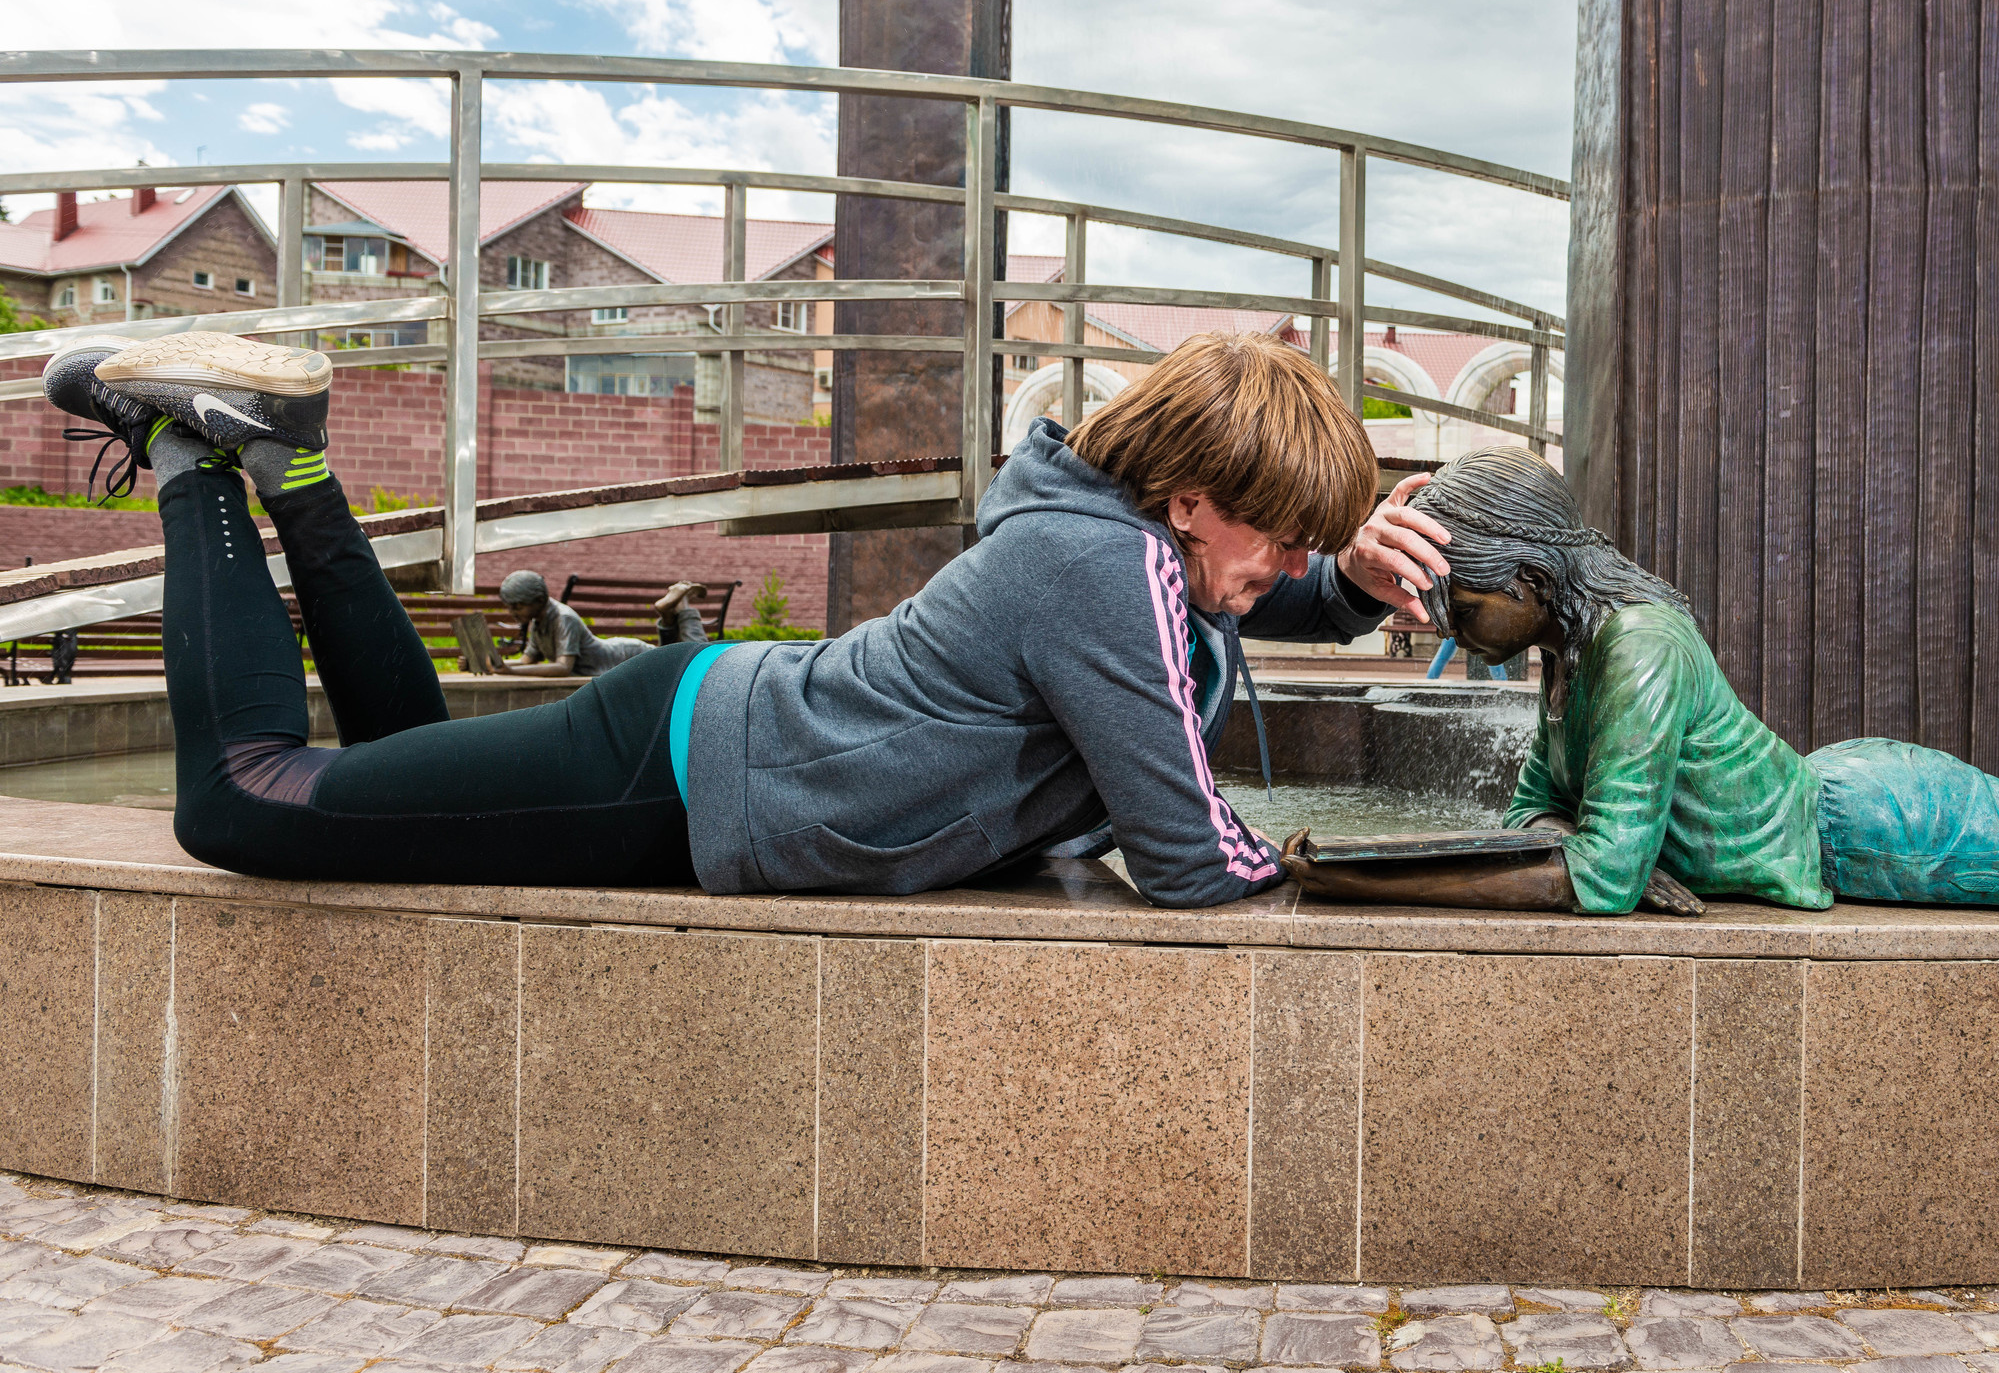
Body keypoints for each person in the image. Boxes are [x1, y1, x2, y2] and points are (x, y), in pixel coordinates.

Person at [41, 328, 1448, 903]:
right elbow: (1194, 859)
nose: (1288, 561)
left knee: (394, 762)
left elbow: (1216, 610)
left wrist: (1343, 587)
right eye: (1280, 534)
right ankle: (194, 458)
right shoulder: (1100, 567)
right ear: (1188, 499)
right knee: (246, 802)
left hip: (703, 745)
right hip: (680, 773)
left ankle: (293, 466)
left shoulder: (1111, 542)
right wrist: (1406, 880)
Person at [1283, 447, 1999, 921]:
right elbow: (1536, 822)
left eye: (1462, 602)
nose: (1448, 625)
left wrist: (1354, 873)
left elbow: (1597, 878)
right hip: (1850, 805)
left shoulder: (1638, 646)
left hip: (1891, 826)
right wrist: (1596, 848)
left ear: (1533, 582)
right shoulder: (1569, 659)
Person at [496, 572, 707, 676]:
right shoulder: (538, 622)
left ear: (539, 600)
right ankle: (671, 609)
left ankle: (682, 606)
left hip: (624, 656)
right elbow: (526, 660)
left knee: (693, 660)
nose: (512, 612)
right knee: (674, 659)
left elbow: (563, 667)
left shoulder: (563, 618)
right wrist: (496, 665)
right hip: (617, 654)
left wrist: (510, 671)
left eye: (518, 606)